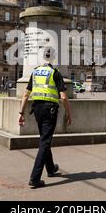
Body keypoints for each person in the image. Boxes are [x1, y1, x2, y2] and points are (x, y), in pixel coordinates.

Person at [19, 48, 72, 188]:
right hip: (50, 110)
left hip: (37, 109)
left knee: (44, 138)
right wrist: (69, 113)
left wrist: (21, 113)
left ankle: (50, 168)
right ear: (54, 58)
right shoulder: (55, 73)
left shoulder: (35, 72)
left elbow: (25, 95)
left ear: (42, 57)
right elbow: (64, 96)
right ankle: (35, 177)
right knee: (45, 142)